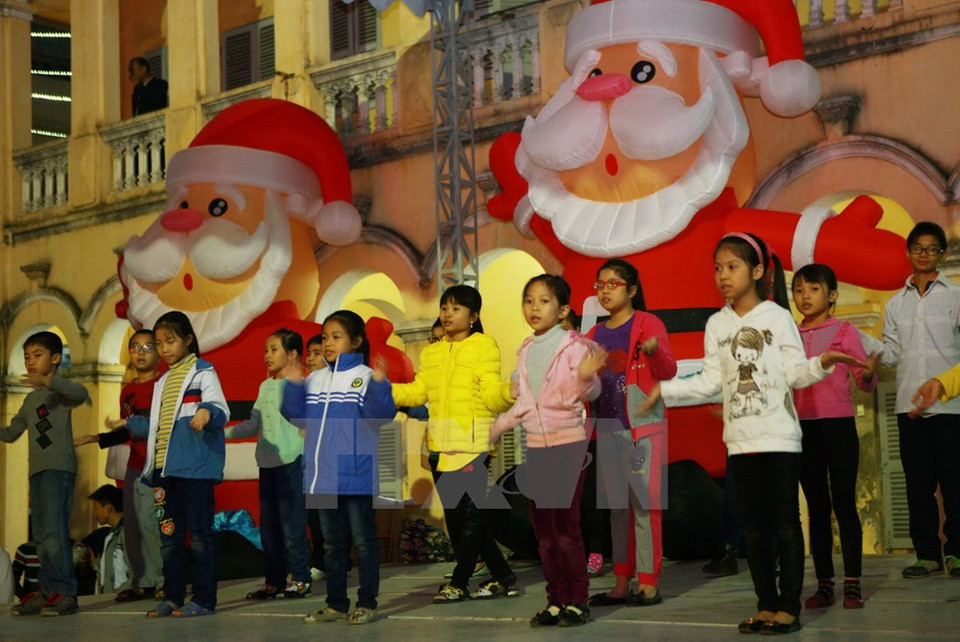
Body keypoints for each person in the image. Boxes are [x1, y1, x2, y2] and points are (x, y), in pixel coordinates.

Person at [642, 233, 864, 635]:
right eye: (717, 268)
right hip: (740, 440)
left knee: (784, 522)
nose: (723, 276)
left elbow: (795, 372)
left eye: (733, 267)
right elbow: (711, 381)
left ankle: (789, 608)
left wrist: (822, 363)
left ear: (757, 271)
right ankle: (765, 605)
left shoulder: (777, 318)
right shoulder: (717, 325)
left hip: (779, 438)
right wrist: (665, 391)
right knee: (754, 528)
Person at [490, 274, 606, 627]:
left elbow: (593, 391)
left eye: (543, 301)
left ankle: (577, 599)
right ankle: (555, 599)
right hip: (536, 449)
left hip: (569, 445)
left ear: (563, 309)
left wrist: (587, 377)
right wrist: (497, 428)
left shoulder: (575, 347)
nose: (534, 307)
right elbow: (526, 401)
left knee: (566, 527)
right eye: (528, 300)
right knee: (544, 531)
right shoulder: (526, 349)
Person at [392, 285, 517, 604]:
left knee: (472, 518)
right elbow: (418, 392)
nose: (447, 313)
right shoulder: (432, 352)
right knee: (459, 521)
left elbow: (490, 393)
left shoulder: (484, 346)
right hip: (439, 446)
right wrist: (385, 390)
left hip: (473, 442)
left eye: (456, 308)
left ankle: (459, 583)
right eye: (444, 307)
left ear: (473, 316)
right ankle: (503, 576)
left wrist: (509, 393)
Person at [107, 311, 229, 618]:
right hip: (163, 472)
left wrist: (206, 413)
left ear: (188, 340)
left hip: (195, 470)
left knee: (200, 537)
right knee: (170, 537)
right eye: (159, 343)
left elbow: (220, 408)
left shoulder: (203, 372)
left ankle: (203, 599)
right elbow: (157, 424)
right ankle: (172, 596)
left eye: (170, 341)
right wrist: (128, 423)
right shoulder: (162, 381)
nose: (163, 349)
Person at [282, 310, 396, 625]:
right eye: (325, 336)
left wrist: (378, 387)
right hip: (321, 477)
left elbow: (381, 415)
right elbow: (295, 417)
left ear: (357, 341)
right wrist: (292, 386)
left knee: (363, 542)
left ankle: (367, 602)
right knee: (331, 544)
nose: (327, 343)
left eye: (336, 337)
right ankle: (336, 604)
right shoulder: (315, 378)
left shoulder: (362, 376)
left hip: (355, 475)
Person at [584, 259, 677, 608]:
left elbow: (669, 371)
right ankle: (622, 582)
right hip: (607, 430)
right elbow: (585, 386)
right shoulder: (594, 334)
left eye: (613, 284)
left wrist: (655, 353)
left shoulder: (648, 323)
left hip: (642, 427)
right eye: (600, 284)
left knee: (644, 507)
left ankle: (648, 583)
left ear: (632, 290)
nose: (605, 290)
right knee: (617, 510)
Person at [792, 264, 880, 609]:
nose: (805, 296)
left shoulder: (844, 330)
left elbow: (863, 381)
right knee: (817, 507)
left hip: (839, 426)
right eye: (799, 290)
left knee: (843, 502)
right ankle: (824, 583)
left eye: (813, 289)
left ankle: (853, 582)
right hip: (803, 429)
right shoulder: (790, 335)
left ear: (831, 296)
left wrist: (870, 373)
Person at [881, 221, 960, 580]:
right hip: (908, 407)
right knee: (917, 483)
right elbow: (892, 353)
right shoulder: (895, 304)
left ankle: (957, 554)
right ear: (909, 253)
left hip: (952, 405)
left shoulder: (956, 296)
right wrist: (869, 357)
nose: (924, 254)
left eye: (931, 248)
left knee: (955, 481)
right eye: (918, 248)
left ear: (942, 255)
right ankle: (927, 555)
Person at [2, 331, 90, 617]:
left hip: (59, 469)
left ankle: (64, 592)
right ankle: (47, 590)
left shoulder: (61, 391)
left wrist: (49, 381)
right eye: (26, 356)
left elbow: (81, 393)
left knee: (54, 533)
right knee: (41, 536)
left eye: (37, 355)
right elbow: (12, 432)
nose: (30, 361)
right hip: (37, 472)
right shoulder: (30, 400)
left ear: (55, 359)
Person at [74, 329, 163, 602]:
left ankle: (161, 581)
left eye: (148, 347)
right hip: (134, 463)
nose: (140, 352)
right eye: (135, 347)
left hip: (158, 464)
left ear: (158, 353)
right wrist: (97, 437)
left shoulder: (165, 384)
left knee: (150, 524)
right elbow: (127, 430)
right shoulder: (128, 391)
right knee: (132, 526)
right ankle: (142, 582)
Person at [228, 329, 311, 600]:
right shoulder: (265, 386)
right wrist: (220, 434)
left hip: (293, 461)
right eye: (265, 350)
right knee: (269, 526)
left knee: (293, 524)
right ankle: (274, 581)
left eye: (273, 349)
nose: (267, 355)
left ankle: (300, 577)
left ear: (293, 354)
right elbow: (253, 424)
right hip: (267, 463)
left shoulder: (302, 384)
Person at [87, 485, 133, 597]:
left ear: (108, 508)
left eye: (96, 508)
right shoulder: (112, 536)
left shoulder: (129, 533)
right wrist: (96, 564)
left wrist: (118, 594)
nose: (94, 513)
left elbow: (137, 574)